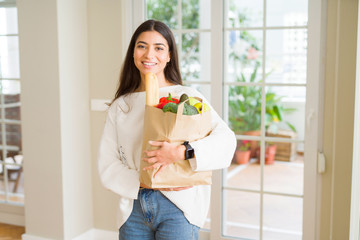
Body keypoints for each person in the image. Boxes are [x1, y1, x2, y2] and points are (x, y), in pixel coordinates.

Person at [98, 19, 236, 240]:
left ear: (169, 55)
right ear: (133, 52)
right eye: (141, 46)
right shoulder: (121, 106)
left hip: (179, 207)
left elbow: (226, 140)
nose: (148, 54)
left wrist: (183, 151)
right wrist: (141, 180)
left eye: (159, 48)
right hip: (133, 208)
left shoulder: (188, 97)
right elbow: (107, 162)